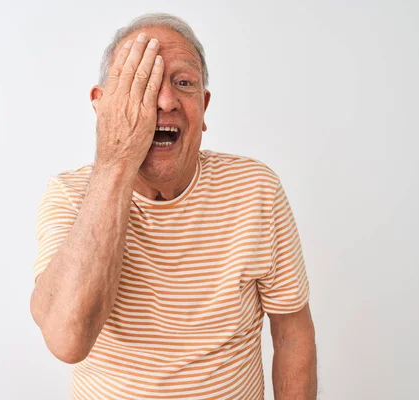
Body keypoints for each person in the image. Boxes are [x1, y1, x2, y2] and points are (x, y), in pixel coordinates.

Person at [30, 13, 317, 400]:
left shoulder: (255, 189)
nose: (165, 100)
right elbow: (67, 340)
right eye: (140, 84)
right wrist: (115, 161)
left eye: (183, 83)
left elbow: (292, 333)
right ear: (102, 107)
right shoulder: (70, 194)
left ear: (204, 107)